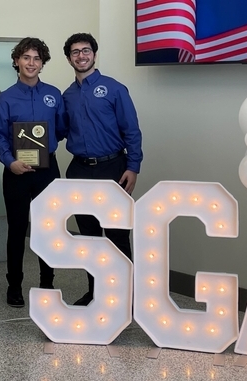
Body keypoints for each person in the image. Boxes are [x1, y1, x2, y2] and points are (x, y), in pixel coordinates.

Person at [61, 33, 143, 306]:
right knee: (90, 238)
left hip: (113, 168)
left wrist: (133, 166)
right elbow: (59, 131)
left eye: (86, 51)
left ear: (95, 55)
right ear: (69, 58)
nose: (81, 56)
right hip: (80, 171)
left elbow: (132, 130)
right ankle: (96, 292)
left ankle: (125, 295)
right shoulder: (67, 95)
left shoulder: (114, 89)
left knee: (117, 235)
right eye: (75, 52)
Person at [0, 37, 68, 308]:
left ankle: (47, 282)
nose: (31, 63)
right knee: (17, 229)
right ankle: (15, 287)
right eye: (26, 58)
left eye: (36, 58)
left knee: (49, 227)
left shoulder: (54, 94)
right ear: (16, 61)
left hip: (48, 171)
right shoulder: (6, 98)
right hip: (17, 172)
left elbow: (60, 129)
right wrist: (10, 161)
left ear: (42, 63)